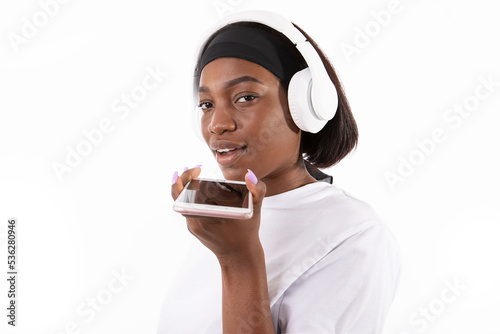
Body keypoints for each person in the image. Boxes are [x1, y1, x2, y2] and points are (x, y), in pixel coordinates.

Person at [158, 10, 401, 334]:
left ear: (306, 103)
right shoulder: (225, 214)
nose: (218, 124)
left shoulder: (356, 235)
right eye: (206, 104)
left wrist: (238, 259)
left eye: (245, 97)